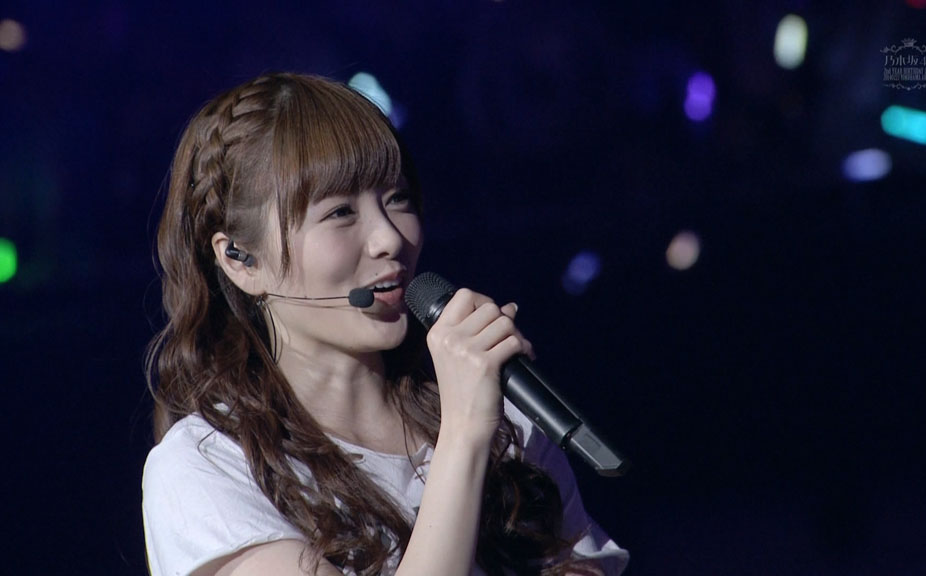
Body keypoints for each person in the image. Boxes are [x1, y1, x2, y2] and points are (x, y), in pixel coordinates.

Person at [142, 72, 628, 576]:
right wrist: (463, 434)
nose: (390, 238)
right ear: (241, 260)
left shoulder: (495, 412)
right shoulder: (207, 466)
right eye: (340, 212)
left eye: (397, 198)